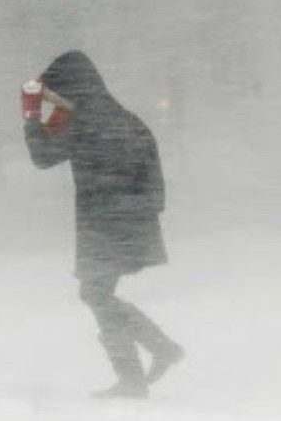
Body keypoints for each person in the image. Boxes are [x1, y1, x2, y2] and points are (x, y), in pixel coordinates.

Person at [21, 51, 183, 399]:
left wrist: (32, 114)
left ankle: (147, 364)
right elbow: (153, 173)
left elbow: (42, 157)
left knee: (95, 293)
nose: (56, 98)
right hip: (131, 221)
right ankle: (149, 362)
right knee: (97, 293)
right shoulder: (123, 117)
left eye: (57, 90)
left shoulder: (81, 120)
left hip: (104, 223)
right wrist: (145, 213)